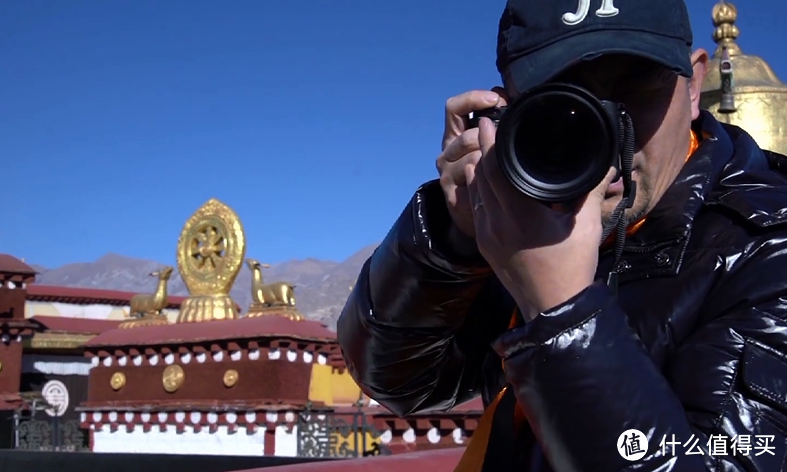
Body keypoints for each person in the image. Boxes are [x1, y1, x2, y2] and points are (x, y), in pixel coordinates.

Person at [337, 0, 787, 470]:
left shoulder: (769, 246)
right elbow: (399, 381)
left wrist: (562, 311)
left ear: (694, 86)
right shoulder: (526, 226)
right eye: (564, 99)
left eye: (636, 85)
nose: (610, 135)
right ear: (504, 112)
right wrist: (453, 240)